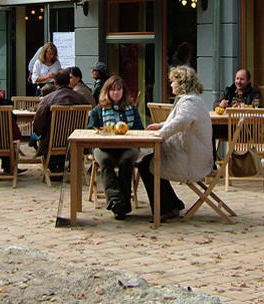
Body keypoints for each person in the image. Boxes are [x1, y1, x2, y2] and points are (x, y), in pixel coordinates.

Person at [142, 65, 213, 221]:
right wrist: (161, 125)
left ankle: (166, 208)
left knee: (148, 165)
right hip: (191, 154)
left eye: (173, 81)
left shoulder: (190, 101)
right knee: (150, 162)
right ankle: (172, 203)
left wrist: (161, 133)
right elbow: (178, 120)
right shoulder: (191, 100)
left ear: (181, 83)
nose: (171, 84)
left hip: (192, 160)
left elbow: (183, 121)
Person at [87, 76, 143, 220]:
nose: (116, 93)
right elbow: (90, 130)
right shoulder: (98, 110)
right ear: (107, 92)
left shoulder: (132, 109)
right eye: (112, 90)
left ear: (124, 92)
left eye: (119, 89)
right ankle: (116, 201)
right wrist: (102, 132)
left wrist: (128, 132)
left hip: (127, 147)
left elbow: (140, 129)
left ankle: (123, 204)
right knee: (105, 161)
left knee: (126, 161)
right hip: (104, 147)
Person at [32, 69, 91, 165]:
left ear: (55, 82)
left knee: (34, 137)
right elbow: (88, 119)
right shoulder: (81, 98)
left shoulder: (47, 99)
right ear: (68, 81)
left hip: (52, 142)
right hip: (76, 141)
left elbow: (38, 124)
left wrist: (40, 134)